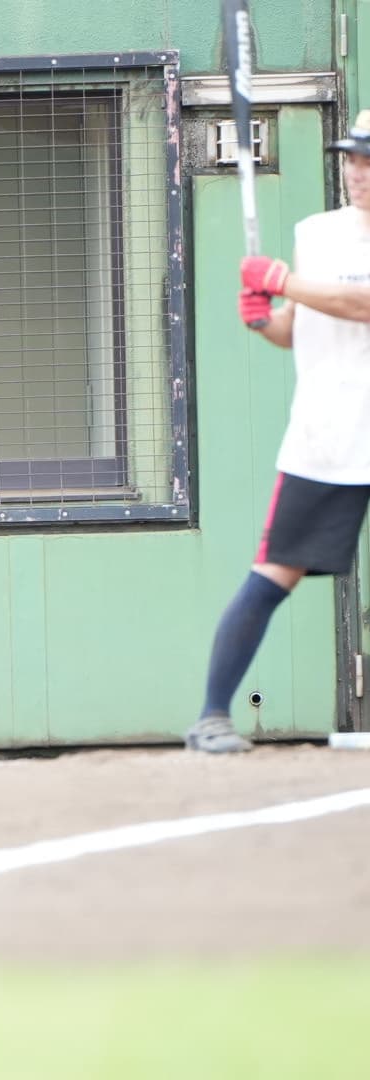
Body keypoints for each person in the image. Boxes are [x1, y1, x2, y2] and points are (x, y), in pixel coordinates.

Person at [186, 109, 370, 753]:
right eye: (353, 159)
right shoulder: (316, 233)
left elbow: (364, 304)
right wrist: (265, 319)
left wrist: (284, 282)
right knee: (273, 572)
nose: (358, 171)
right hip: (329, 435)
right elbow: (302, 327)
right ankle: (212, 716)